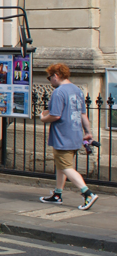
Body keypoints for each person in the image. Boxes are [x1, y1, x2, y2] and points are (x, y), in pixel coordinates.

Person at [38, 63, 98, 210]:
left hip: (62, 136)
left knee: (66, 167)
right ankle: (57, 194)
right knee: (62, 166)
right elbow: (83, 114)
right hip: (75, 134)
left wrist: (43, 118)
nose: (50, 81)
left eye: (50, 77)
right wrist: (88, 132)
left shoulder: (58, 92)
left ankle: (87, 193)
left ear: (56, 75)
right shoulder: (77, 90)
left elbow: (55, 115)